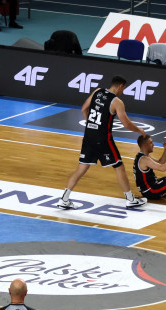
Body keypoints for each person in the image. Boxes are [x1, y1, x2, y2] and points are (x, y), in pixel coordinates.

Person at [56, 75, 147, 210]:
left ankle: (64, 199)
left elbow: (83, 109)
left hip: (88, 136)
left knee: (81, 169)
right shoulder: (117, 102)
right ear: (121, 86)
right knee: (119, 166)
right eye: (123, 89)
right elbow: (126, 123)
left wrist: (91, 125)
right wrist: (140, 131)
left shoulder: (97, 91)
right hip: (103, 139)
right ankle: (130, 199)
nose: (123, 92)